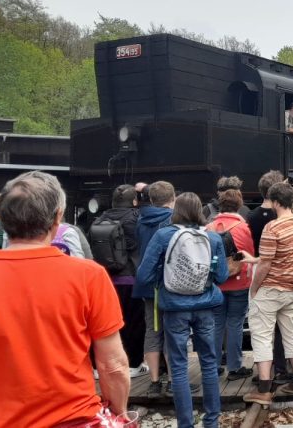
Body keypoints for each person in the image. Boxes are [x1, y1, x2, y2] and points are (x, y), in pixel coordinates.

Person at [0, 171, 130, 427]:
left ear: (2, 217)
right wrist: (119, 412)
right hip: (71, 418)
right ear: (58, 217)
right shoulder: (89, 276)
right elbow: (112, 365)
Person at [136, 192, 229, 428]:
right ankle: (212, 422)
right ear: (200, 210)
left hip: (175, 308)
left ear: (176, 210)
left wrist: (163, 277)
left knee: (178, 367)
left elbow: (143, 275)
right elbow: (222, 276)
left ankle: (185, 424)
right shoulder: (213, 238)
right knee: (209, 363)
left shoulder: (163, 235)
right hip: (206, 306)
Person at [244, 181, 293, 405]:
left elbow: (265, 265)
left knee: (262, 336)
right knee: (291, 333)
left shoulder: (271, 228)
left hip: (270, 289)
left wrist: (254, 289)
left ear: (274, 202)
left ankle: (264, 389)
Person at [94, 184, 146, 376]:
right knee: (134, 323)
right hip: (131, 278)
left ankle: (100, 365)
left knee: (107, 324)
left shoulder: (100, 219)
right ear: (134, 201)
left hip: (106, 279)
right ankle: (133, 364)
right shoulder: (137, 219)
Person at [133, 180, 176, 397]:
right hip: (168, 283)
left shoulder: (140, 219)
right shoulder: (172, 220)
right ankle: (171, 380)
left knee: (152, 329)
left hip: (147, 283)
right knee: (170, 330)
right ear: (172, 198)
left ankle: (154, 381)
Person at [208, 188, 255, 381]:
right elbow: (251, 255)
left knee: (217, 323)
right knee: (235, 323)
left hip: (216, 284)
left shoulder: (208, 227)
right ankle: (235, 367)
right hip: (239, 282)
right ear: (239, 205)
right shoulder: (244, 228)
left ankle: (214, 365)